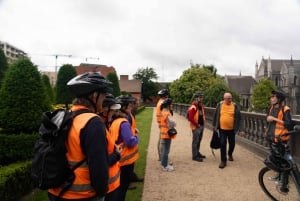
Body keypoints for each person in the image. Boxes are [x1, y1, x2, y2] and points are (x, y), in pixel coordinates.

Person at [48, 72, 110, 201]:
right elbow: (99, 166)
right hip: (80, 194)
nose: (104, 99)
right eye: (103, 95)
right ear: (94, 96)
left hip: (56, 190)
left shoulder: (63, 116)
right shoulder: (93, 122)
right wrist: (102, 191)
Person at [110, 95, 139, 201]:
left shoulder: (115, 121)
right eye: (130, 106)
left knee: (119, 187)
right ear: (124, 107)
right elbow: (130, 141)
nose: (131, 108)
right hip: (126, 160)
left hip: (119, 159)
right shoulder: (124, 123)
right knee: (122, 188)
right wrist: (136, 137)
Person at [265, 90, 293, 192]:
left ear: (279, 99)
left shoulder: (285, 109)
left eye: (273, 97)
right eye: (271, 97)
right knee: (276, 159)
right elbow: (268, 121)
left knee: (282, 161)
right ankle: (278, 176)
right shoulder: (271, 108)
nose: (271, 98)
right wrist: (267, 126)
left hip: (281, 139)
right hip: (272, 137)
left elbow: (289, 124)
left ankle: (284, 184)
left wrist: (274, 119)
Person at [212, 92, 244, 169]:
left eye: (230, 98)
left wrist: (241, 129)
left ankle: (230, 154)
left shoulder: (235, 106)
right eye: (228, 98)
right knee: (222, 143)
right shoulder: (219, 105)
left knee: (232, 144)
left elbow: (240, 118)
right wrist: (214, 125)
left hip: (232, 129)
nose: (230, 100)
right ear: (224, 99)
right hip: (222, 129)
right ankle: (223, 161)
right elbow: (215, 115)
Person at [100, 94, 123, 201]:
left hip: (109, 182)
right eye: (112, 111)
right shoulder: (98, 127)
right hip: (106, 184)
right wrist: (117, 154)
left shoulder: (104, 124)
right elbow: (101, 161)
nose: (114, 114)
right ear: (104, 110)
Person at [188, 92, 206, 162]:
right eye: (200, 97)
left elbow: (202, 115)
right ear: (196, 98)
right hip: (196, 127)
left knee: (199, 140)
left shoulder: (201, 106)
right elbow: (190, 118)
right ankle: (194, 156)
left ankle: (197, 153)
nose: (201, 98)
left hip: (201, 125)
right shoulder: (194, 106)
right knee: (195, 141)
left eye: (202, 97)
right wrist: (196, 124)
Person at [160, 98, 176, 171]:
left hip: (164, 132)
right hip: (167, 133)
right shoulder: (167, 112)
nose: (172, 105)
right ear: (168, 105)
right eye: (171, 104)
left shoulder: (163, 111)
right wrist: (175, 123)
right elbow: (172, 123)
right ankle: (165, 166)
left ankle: (164, 164)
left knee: (165, 149)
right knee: (166, 150)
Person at [156, 89, 169, 161]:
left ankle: (160, 156)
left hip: (160, 122)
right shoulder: (163, 103)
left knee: (160, 140)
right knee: (163, 141)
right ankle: (161, 157)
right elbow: (165, 114)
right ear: (166, 95)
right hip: (163, 123)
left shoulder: (159, 102)